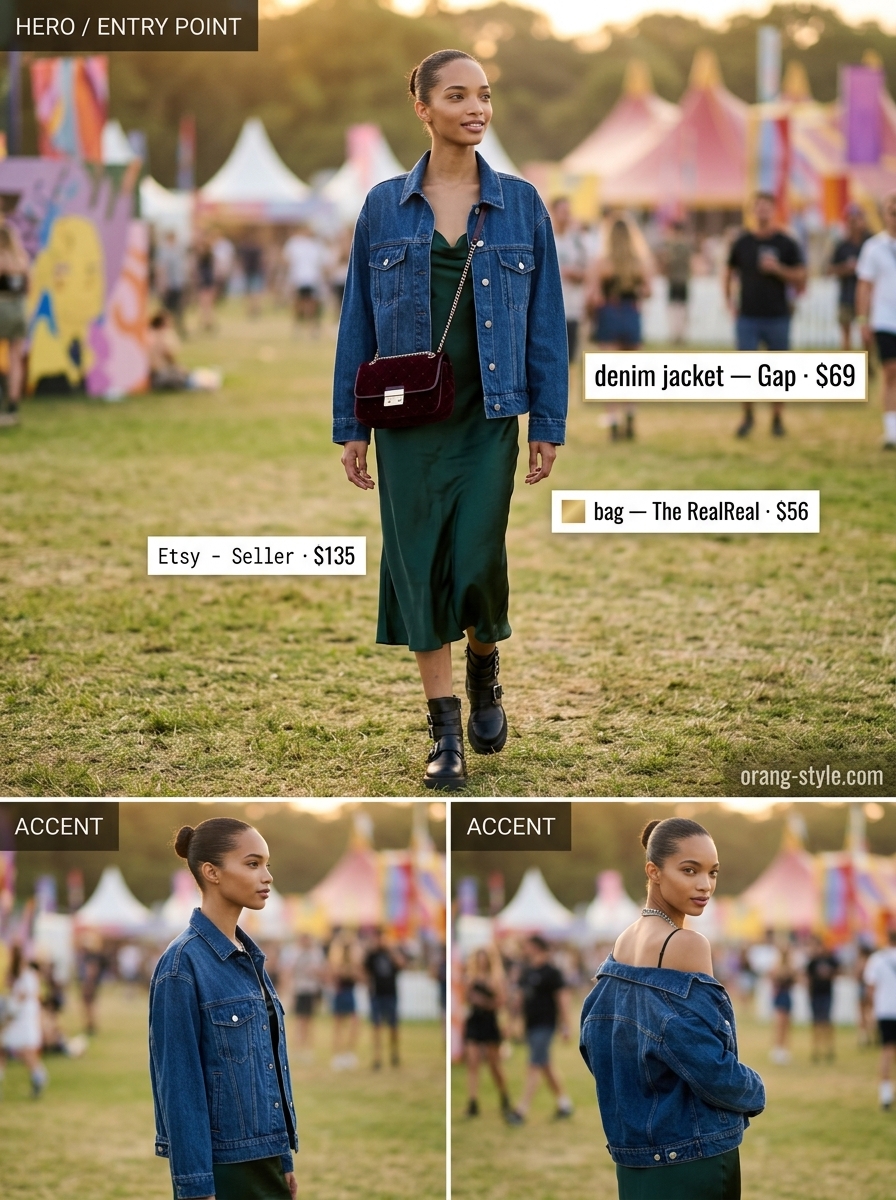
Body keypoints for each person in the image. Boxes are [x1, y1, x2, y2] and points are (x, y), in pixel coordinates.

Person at [333, 49, 567, 792]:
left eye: (484, 96)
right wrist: (351, 423)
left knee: (475, 560)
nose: (476, 109)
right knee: (417, 566)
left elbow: (547, 320)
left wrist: (548, 419)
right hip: (407, 423)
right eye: (459, 96)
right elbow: (356, 320)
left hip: (487, 415)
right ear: (423, 109)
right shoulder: (382, 206)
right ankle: (444, 730)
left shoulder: (522, 204)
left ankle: (484, 665)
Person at [580, 817, 765, 1199]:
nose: (705, 885)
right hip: (692, 1153)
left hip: (634, 1156)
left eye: (712, 872)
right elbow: (708, 1063)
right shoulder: (685, 944)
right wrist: (754, 1091)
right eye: (689, 870)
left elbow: (596, 1044)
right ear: (654, 871)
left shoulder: (623, 941)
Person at [149, 817, 298, 1200]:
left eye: (266, 864)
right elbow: (180, 1087)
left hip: (266, 1159)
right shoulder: (181, 965)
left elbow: (267, 1068)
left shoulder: (250, 956)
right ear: (211, 872)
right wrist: (196, 1187)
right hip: (224, 1169)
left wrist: (283, 1159)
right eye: (252, 864)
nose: (267, 876)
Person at [725, 192, 806, 438]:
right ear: (751, 211)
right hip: (748, 316)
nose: (762, 211)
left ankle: (777, 418)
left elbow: (801, 276)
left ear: (774, 210)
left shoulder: (786, 242)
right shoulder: (742, 242)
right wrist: (729, 302)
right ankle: (748, 416)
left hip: (777, 315)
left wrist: (778, 269)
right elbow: (728, 272)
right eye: (758, 207)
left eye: (766, 207)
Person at [587, 214, 652, 440]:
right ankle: (630, 415)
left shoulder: (601, 262)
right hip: (631, 313)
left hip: (610, 313)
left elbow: (594, 295)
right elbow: (648, 291)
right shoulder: (639, 262)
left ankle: (613, 421)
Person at [505, 935, 573, 1124]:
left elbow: (562, 999)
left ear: (536, 947)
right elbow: (519, 1000)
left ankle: (521, 1110)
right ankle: (564, 1104)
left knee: (534, 1064)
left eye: (527, 946)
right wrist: (511, 1022)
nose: (524, 950)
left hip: (546, 1024)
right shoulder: (526, 971)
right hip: (531, 1024)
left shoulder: (552, 972)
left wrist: (566, 1025)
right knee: (545, 1064)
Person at [855, 190, 896, 449]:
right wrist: (863, 319)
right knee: (891, 372)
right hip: (885, 319)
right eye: (892, 211)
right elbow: (864, 285)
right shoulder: (874, 247)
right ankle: (891, 431)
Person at [462, 945, 511, 1117]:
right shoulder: (471, 977)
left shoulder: (496, 979)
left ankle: (504, 1095)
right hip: (474, 1020)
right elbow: (466, 998)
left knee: (493, 1064)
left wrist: (483, 1001)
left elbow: (501, 1001)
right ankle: (473, 1102)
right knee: (472, 1062)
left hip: (489, 1021)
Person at [0, 947, 48, 1098]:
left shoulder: (26, 977)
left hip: (21, 1020)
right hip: (21, 1020)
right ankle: (38, 1077)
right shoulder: (23, 976)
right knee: (6, 1050)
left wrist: (8, 1013)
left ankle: (39, 1077)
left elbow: (20, 1000)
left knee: (26, 1053)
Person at [550, 196, 588, 366]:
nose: (567, 215)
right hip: (550, 307)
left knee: (570, 357)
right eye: (563, 211)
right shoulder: (547, 238)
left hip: (572, 307)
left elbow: (588, 271)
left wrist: (576, 274)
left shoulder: (577, 241)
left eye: (568, 211)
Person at [828, 203, 870, 350]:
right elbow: (830, 270)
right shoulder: (842, 245)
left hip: (867, 297)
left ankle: (868, 362)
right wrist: (845, 268)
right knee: (846, 335)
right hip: (847, 295)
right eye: (851, 220)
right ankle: (847, 361)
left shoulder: (871, 242)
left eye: (857, 219)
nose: (854, 224)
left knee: (867, 335)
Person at [0, 220, 30, 425]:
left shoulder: (2, 258)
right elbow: (29, 288)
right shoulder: (22, 259)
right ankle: (13, 404)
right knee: (16, 358)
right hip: (19, 309)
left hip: (2, 307)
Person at [363, 928, 406, 1070]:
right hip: (376, 995)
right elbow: (364, 971)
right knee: (376, 1026)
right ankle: (377, 1057)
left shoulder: (391, 953)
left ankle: (394, 1053)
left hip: (390, 994)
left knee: (393, 1026)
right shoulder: (372, 955)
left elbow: (401, 964)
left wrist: (391, 951)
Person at [863, 928, 896, 1110]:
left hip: (885, 1011)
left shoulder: (878, 959)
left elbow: (870, 987)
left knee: (886, 1051)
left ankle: (885, 1093)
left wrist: (870, 1010)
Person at [280, 933, 324, 1061]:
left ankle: (308, 1048)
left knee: (309, 1020)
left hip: (311, 990)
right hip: (299, 990)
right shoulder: (294, 953)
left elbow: (321, 971)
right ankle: (298, 1048)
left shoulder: (315, 953)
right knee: (299, 1021)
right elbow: (288, 971)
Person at [283, 225, 329, 335]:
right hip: (299, 278)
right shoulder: (295, 243)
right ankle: (299, 325)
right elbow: (286, 259)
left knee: (311, 303)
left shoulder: (316, 245)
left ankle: (310, 326)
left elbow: (323, 262)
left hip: (311, 278)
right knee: (299, 302)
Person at [328, 930, 361, 1070]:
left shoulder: (354, 961)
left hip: (349, 992)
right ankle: (338, 1054)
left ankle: (348, 1052)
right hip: (340, 993)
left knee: (353, 1024)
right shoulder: (336, 960)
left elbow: (357, 976)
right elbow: (334, 976)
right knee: (339, 1025)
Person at [804, 934, 838, 1063]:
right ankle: (817, 1049)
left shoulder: (830, 959)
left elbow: (837, 971)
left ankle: (829, 1048)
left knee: (827, 1022)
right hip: (816, 994)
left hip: (826, 994)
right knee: (816, 1023)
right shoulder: (812, 962)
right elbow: (807, 977)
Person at [660, 220, 692, 345]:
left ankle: (676, 335)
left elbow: (667, 262)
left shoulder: (672, 246)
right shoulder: (686, 246)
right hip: (682, 280)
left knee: (674, 308)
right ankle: (680, 335)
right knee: (681, 308)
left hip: (675, 280)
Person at [156, 230, 189, 337]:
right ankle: (165, 330)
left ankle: (179, 329)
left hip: (177, 283)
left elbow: (182, 267)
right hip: (168, 284)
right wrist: (162, 283)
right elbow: (161, 268)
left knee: (179, 308)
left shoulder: (178, 250)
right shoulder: (164, 251)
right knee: (167, 309)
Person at [769, 938, 796, 1065]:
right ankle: (778, 1049)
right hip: (781, 996)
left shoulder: (790, 966)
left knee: (786, 1025)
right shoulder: (777, 967)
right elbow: (774, 979)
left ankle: (784, 1048)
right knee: (780, 1024)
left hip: (786, 995)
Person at [194, 236, 217, 333]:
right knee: (206, 304)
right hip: (206, 281)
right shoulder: (207, 256)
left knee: (205, 304)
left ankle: (206, 322)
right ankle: (206, 321)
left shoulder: (204, 257)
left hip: (205, 281)